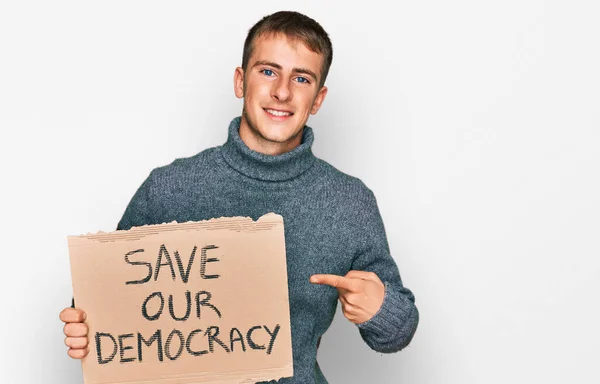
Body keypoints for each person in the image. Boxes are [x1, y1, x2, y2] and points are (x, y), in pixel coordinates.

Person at [60, 10, 419, 383]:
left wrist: (381, 309)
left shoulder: (349, 202)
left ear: (317, 99)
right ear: (240, 80)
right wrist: (85, 324)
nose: (282, 91)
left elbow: (397, 333)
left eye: (301, 78)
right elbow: (109, 303)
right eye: (268, 71)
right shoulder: (170, 188)